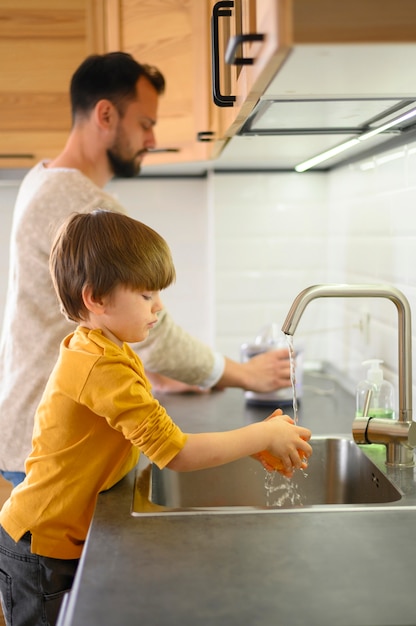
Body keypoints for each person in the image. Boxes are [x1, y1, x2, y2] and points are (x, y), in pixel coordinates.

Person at [0, 210, 312, 626]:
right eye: (147, 295)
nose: (159, 306)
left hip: (54, 532)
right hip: (42, 543)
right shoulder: (99, 364)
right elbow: (176, 453)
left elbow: (137, 413)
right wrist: (258, 436)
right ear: (96, 299)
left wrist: (252, 441)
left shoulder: (104, 347)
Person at [0, 51, 292, 488]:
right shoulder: (88, 208)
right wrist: (246, 375)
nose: (152, 139)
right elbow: (158, 336)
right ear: (105, 114)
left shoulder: (42, 178)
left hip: (30, 423)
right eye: (145, 123)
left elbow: (85, 319)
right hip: (56, 446)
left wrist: (150, 376)